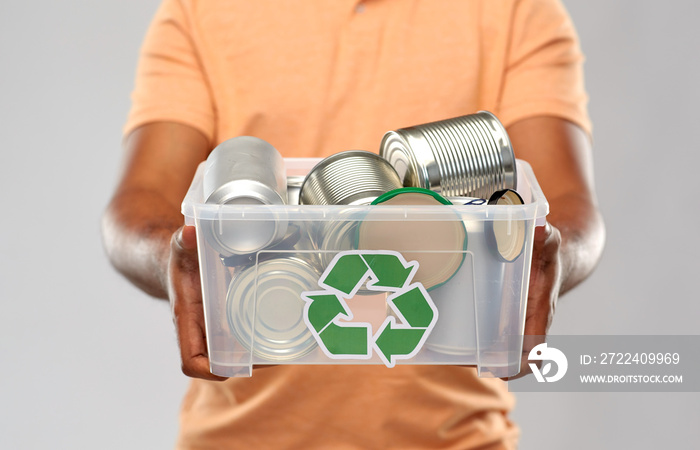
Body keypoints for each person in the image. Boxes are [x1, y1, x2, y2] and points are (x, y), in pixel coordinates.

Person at [102, 0, 605, 448]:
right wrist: (173, 253)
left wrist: (545, 252)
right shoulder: (199, 10)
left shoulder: (519, 10)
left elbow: (567, 207)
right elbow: (138, 204)